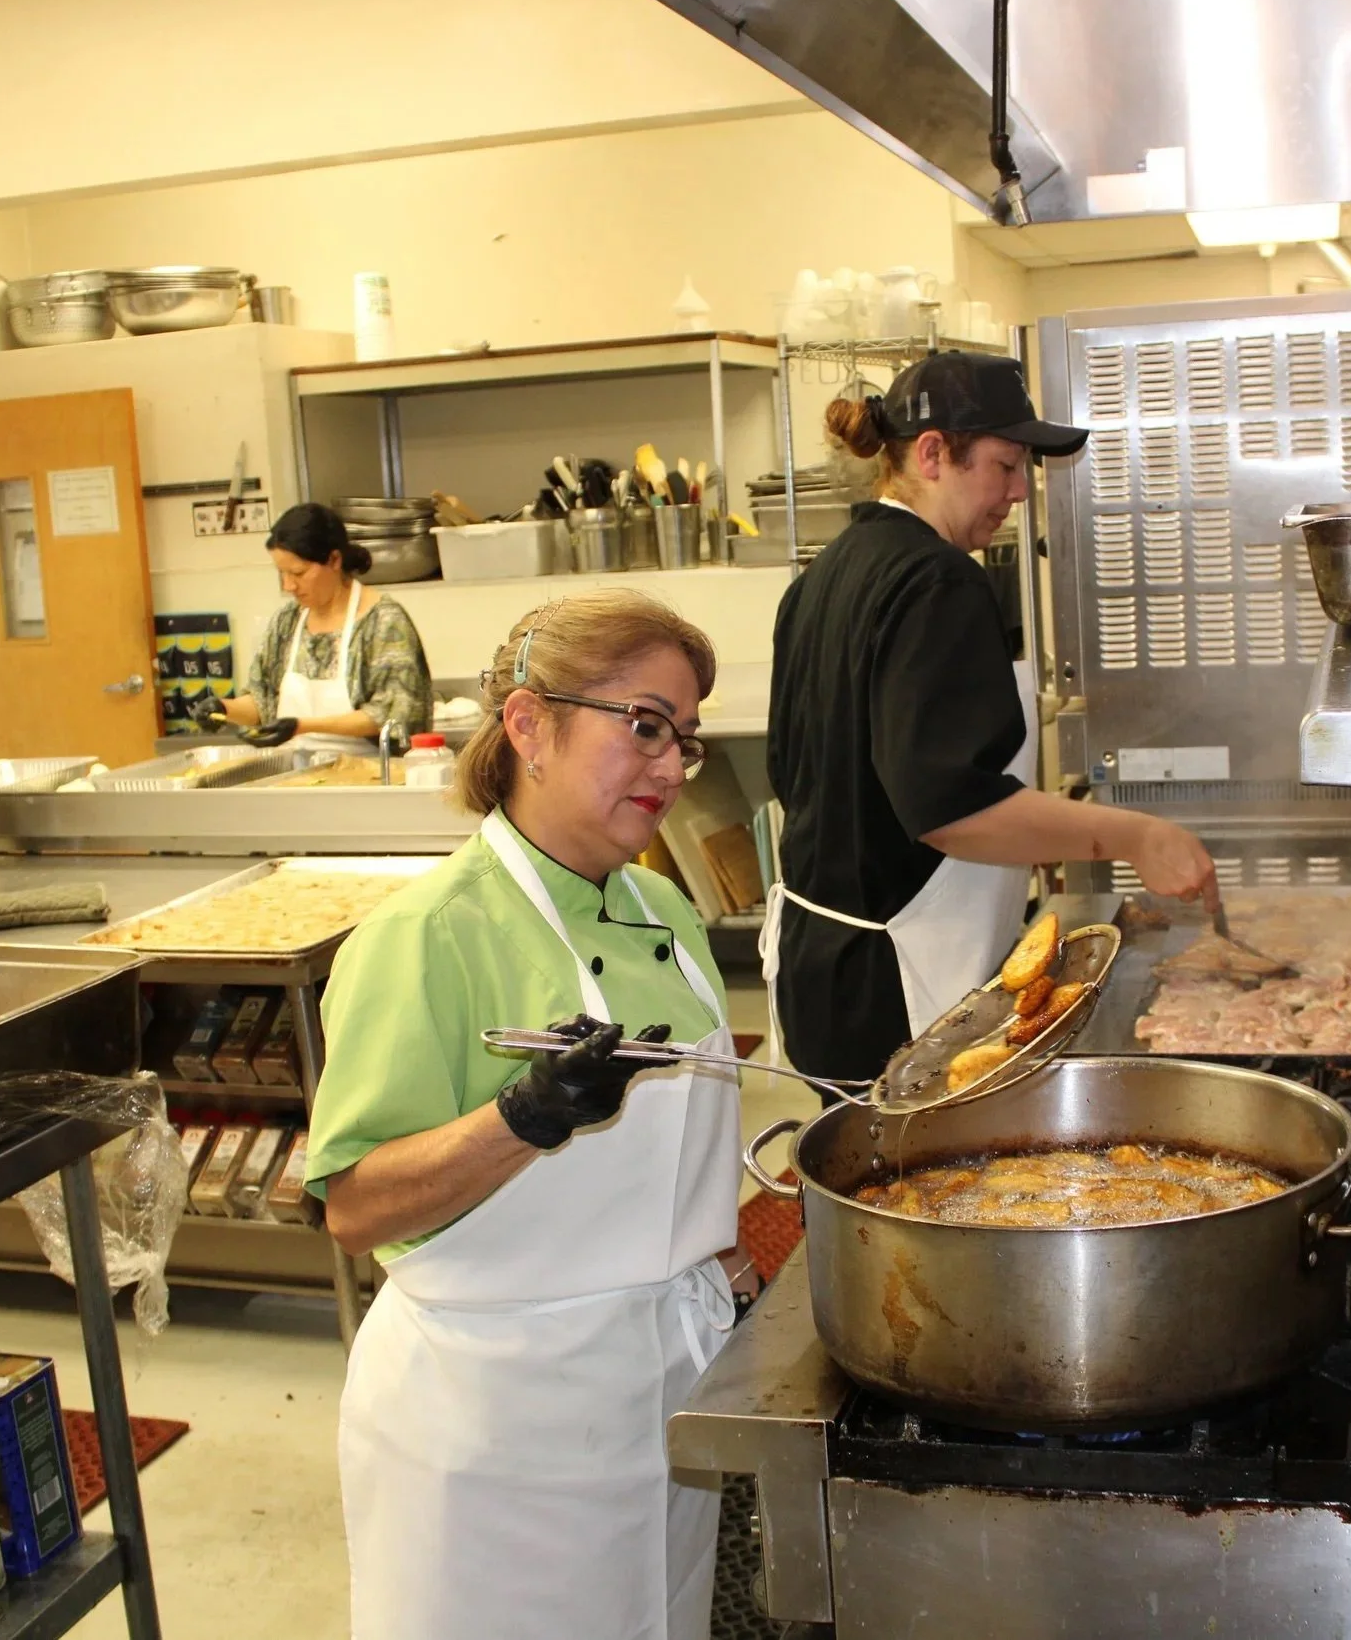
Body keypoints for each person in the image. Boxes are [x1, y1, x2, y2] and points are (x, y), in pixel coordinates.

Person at [306, 591, 757, 1640]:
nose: (668, 765)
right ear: (526, 725)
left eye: (682, 738)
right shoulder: (425, 934)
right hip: (500, 1424)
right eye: (643, 724)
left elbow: (669, 1154)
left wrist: (723, 1259)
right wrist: (523, 1114)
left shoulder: (663, 907)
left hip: (661, 1399)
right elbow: (354, 1205)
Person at [766, 350, 1218, 1084]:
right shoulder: (940, 581)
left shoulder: (828, 570)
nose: (1018, 493)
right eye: (1004, 467)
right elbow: (949, 807)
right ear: (934, 452)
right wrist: (1136, 833)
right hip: (904, 982)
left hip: (822, 972)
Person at [203, 502, 431, 749]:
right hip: (295, 777)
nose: (289, 586)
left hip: (368, 776)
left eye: (298, 573)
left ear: (334, 560)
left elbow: (395, 714)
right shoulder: (287, 621)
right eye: (282, 574)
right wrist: (224, 708)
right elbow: (262, 702)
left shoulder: (384, 622)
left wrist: (302, 727)